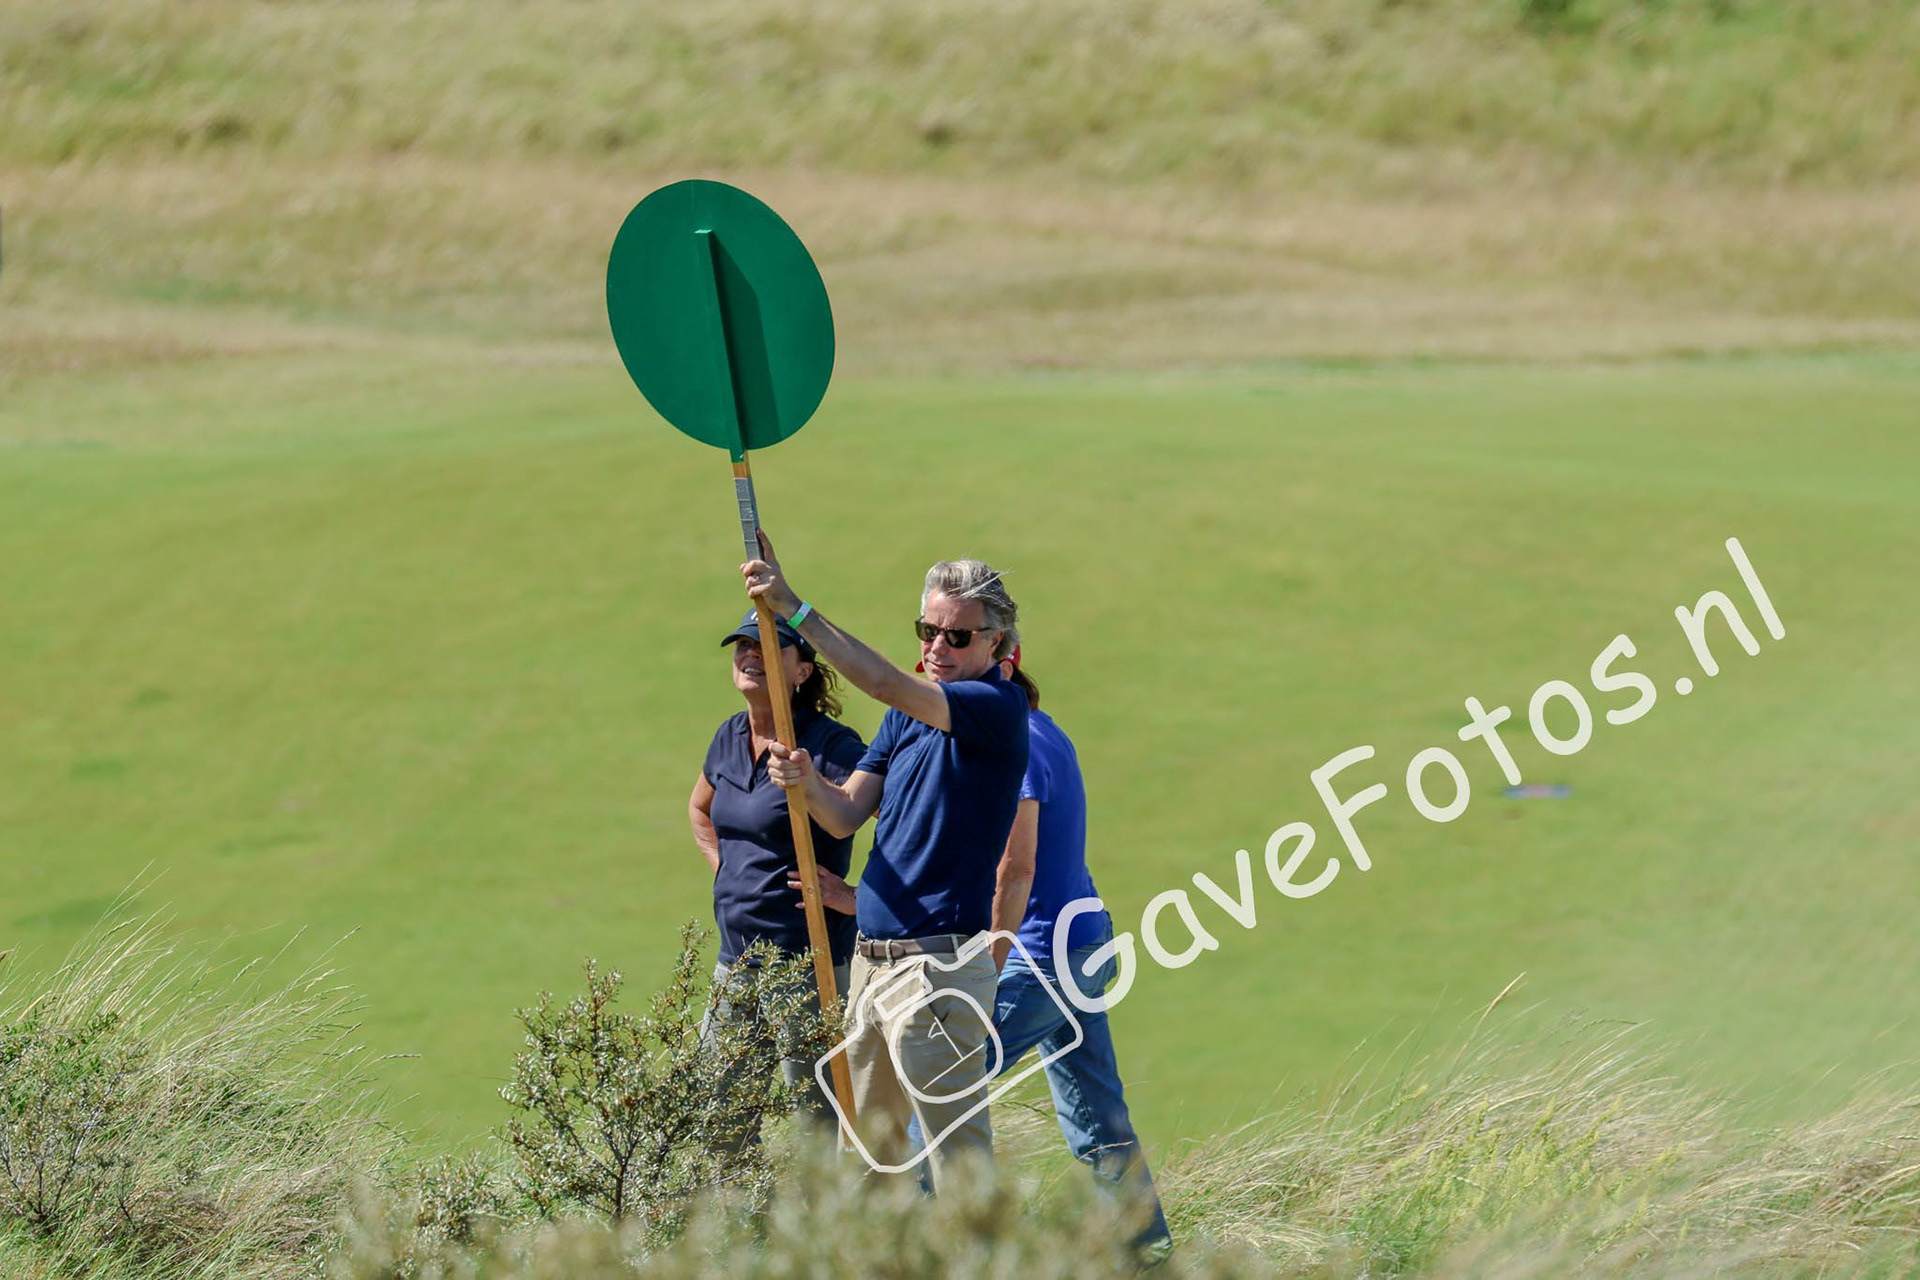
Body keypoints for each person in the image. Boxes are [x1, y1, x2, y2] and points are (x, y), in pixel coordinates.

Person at [744, 533, 1028, 1191]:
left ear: (996, 644)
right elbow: (843, 813)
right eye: (928, 630)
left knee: (960, 1166)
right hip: (871, 965)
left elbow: (879, 682)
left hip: (938, 971)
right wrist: (805, 779)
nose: (937, 647)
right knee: (868, 1162)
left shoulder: (993, 709)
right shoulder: (910, 717)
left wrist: (792, 606)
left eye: (958, 636)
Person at [985, 649, 1174, 1257]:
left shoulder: (1018, 743)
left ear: (1004, 663)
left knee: (938, 1087)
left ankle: (935, 1253)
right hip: (1084, 941)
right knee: (1098, 1119)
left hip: (1042, 955)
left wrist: (985, 966)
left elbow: (1016, 868)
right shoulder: (1043, 729)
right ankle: (1148, 1255)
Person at [689, 609, 866, 1128]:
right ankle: (742, 1213)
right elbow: (700, 809)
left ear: (802, 671)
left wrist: (856, 897)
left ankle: (832, 1212)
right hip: (736, 961)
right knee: (719, 1116)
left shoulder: (830, 745)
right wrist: (728, 871)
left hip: (807, 964)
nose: (750, 654)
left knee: (818, 1123)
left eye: (767, 646)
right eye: (743, 645)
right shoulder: (728, 736)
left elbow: (887, 818)